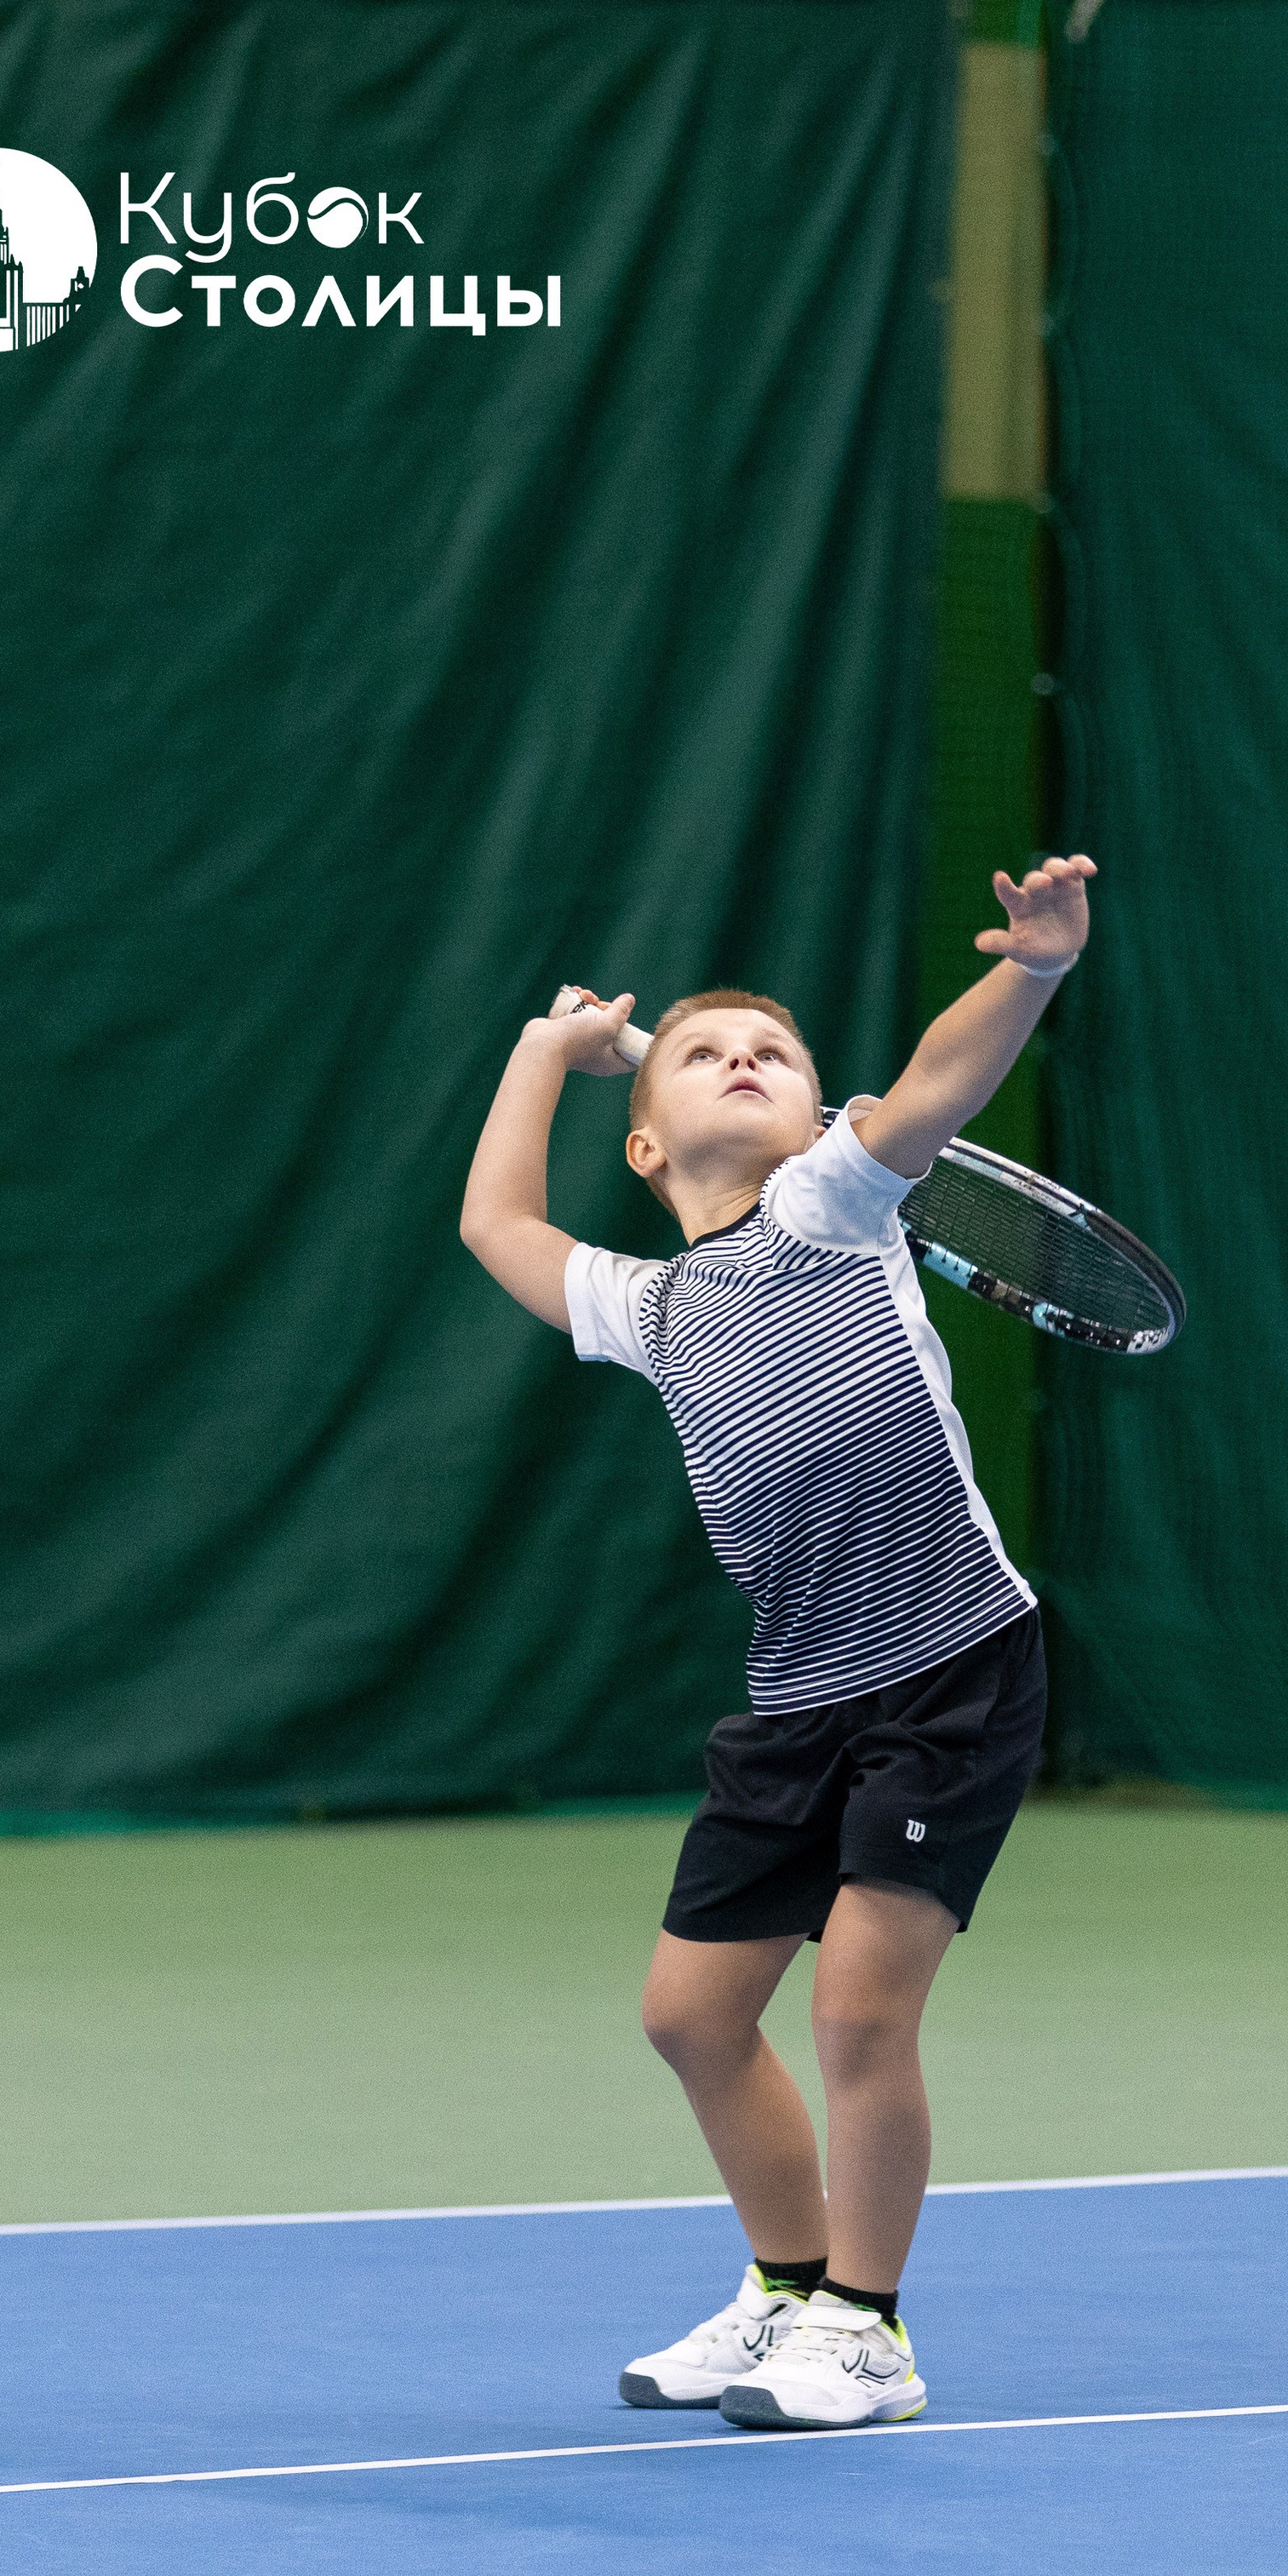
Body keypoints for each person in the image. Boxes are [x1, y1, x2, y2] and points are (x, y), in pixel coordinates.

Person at [459, 856, 1096, 2431]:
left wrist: (1030, 966)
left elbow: (942, 1078)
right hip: (798, 1694)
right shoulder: (647, 1306)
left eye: (774, 1051)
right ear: (646, 1140)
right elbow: (496, 1220)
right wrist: (547, 1047)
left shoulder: (835, 1203)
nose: (743, 1059)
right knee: (690, 2015)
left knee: (859, 2009)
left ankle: (868, 2331)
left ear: (821, 1116)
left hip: (950, 1668)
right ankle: (788, 2285)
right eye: (701, 1053)